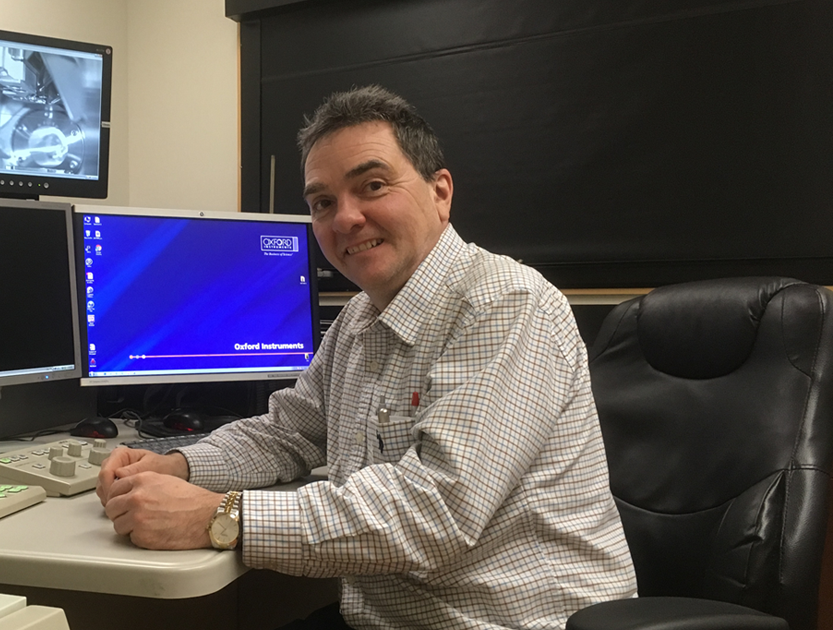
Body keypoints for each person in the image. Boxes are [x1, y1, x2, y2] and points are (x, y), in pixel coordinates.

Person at [97, 85, 637, 630]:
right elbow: (287, 433)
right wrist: (180, 465)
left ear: (440, 192)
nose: (345, 219)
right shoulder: (359, 321)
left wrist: (219, 517)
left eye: (372, 186)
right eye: (323, 203)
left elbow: (435, 511)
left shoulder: (506, 303)